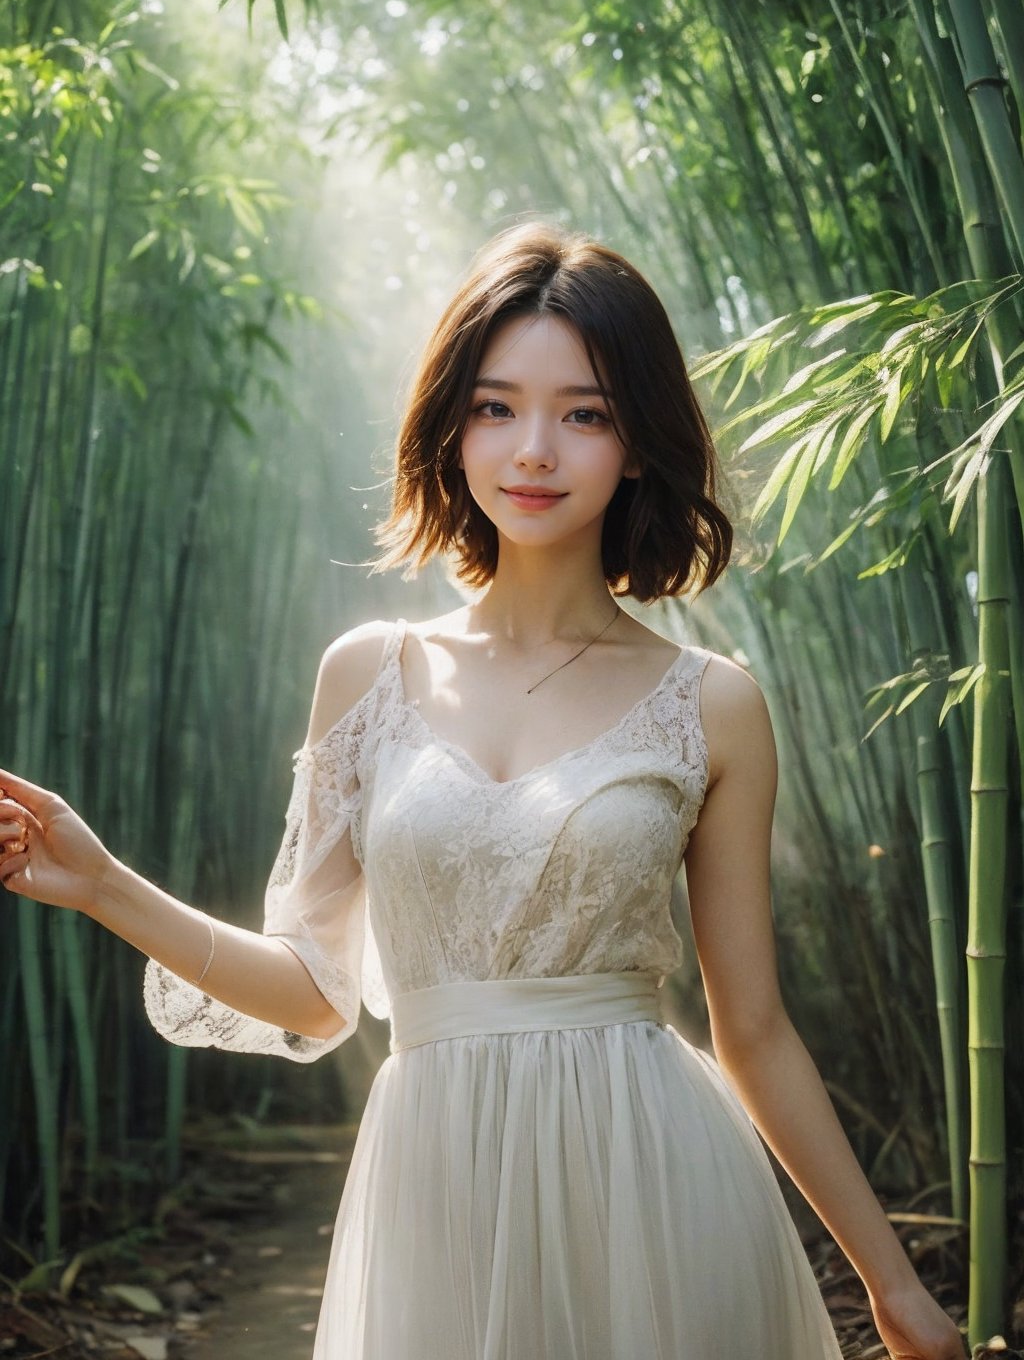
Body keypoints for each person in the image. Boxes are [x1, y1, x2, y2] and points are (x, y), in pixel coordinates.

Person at [1, 223, 965, 1359]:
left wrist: (894, 1290)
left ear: (639, 441)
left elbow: (750, 1030)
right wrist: (105, 884)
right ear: (453, 426)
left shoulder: (711, 703)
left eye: (586, 412)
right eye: (497, 406)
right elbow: (316, 990)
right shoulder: (369, 673)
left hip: (650, 1176)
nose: (535, 451)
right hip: (434, 1184)